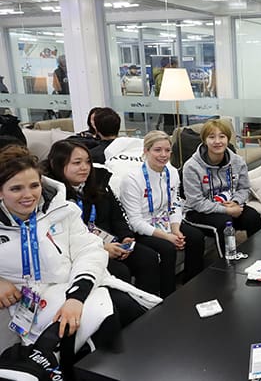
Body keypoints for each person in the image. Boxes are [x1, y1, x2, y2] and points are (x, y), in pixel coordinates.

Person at [0, 145, 159, 353]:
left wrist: (76, 297)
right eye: (16, 188)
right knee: (104, 328)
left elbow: (89, 251)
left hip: (73, 286)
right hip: (27, 302)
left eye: (34, 186)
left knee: (127, 310)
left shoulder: (63, 211)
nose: (28, 195)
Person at [44, 140, 165, 296]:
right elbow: (65, 239)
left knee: (148, 258)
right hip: (84, 252)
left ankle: (148, 307)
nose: (84, 168)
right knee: (120, 271)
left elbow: (117, 216)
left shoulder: (99, 183)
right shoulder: (54, 198)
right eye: (77, 163)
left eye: (88, 162)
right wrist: (102, 248)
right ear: (58, 165)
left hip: (113, 242)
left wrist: (126, 237)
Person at [119, 130, 205, 296]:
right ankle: (168, 295)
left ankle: (192, 283)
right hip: (142, 229)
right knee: (167, 248)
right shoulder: (132, 179)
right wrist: (167, 237)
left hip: (165, 221)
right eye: (157, 150)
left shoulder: (171, 172)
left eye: (167, 150)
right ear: (146, 151)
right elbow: (135, 221)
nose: (163, 155)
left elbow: (175, 204)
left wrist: (176, 229)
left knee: (195, 236)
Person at [183, 119, 261, 252]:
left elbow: (244, 188)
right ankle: (226, 268)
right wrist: (226, 210)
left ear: (228, 139)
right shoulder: (191, 166)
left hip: (230, 205)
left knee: (253, 217)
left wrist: (236, 202)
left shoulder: (237, 162)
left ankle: (257, 257)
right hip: (197, 211)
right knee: (223, 224)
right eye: (211, 137)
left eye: (222, 136)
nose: (217, 141)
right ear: (204, 140)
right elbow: (196, 202)